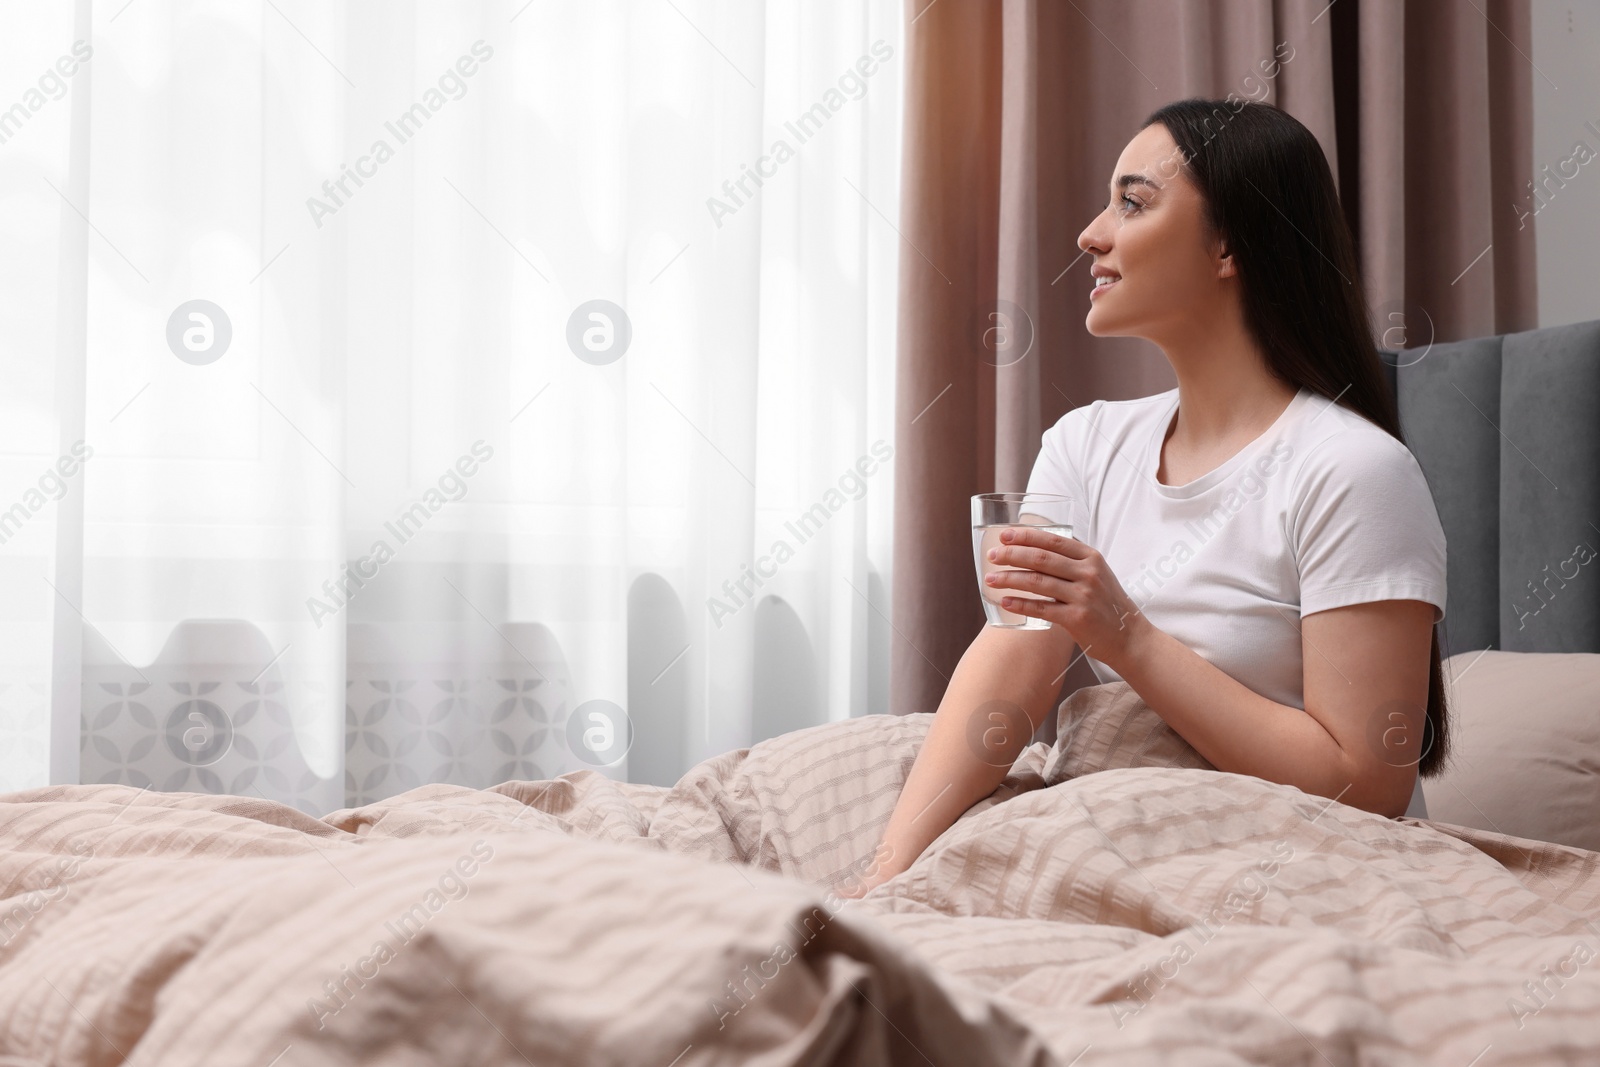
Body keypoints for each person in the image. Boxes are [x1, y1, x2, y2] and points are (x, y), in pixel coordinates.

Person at [844, 98, 1449, 898]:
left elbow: (1365, 784)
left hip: (1292, 863)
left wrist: (1127, 635)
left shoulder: (1355, 470)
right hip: (1117, 820)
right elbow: (1012, 665)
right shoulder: (1085, 444)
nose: (1092, 234)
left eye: (1131, 203)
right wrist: (885, 877)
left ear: (1230, 241)